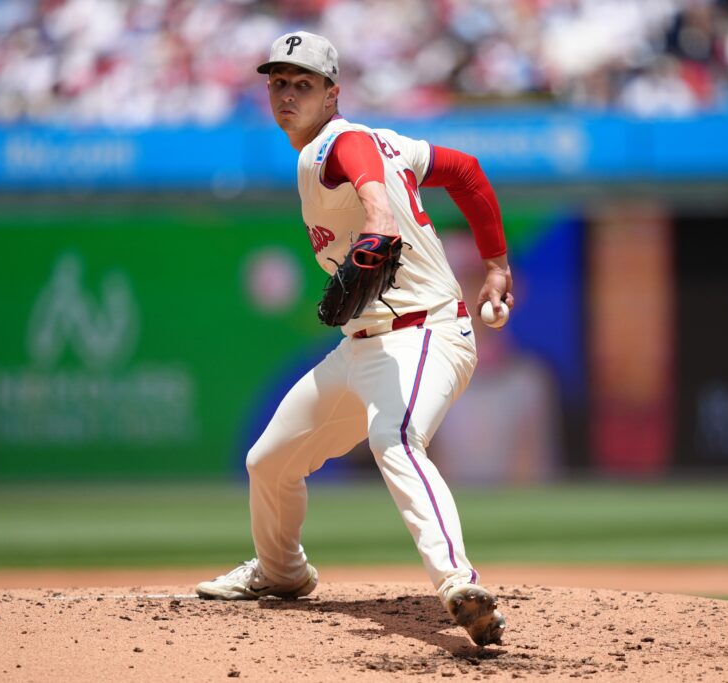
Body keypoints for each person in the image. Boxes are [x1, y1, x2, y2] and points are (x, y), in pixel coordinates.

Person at [195, 31, 514, 647]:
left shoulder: (339, 142)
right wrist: (496, 264)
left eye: (304, 84)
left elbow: (358, 158)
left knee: (394, 437)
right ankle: (282, 572)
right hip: (362, 347)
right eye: (278, 83)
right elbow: (467, 172)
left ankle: (458, 582)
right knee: (269, 462)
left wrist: (379, 213)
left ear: (332, 93)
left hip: (426, 335)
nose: (288, 94)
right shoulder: (392, 143)